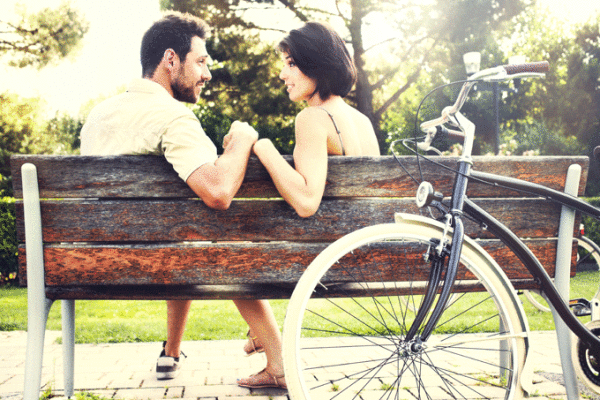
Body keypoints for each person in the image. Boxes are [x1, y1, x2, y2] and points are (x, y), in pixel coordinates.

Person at [79, 12, 259, 380]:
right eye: (201, 61)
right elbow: (219, 192)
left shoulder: (98, 115)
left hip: (88, 263)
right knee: (199, 230)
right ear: (170, 59)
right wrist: (241, 140)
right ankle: (265, 340)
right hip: (164, 261)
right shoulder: (172, 117)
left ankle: (171, 350)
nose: (207, 74)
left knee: (179, 231)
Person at [234, 21, 380, 390]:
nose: (282, 73)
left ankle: (272, 352)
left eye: (290, 63)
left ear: (317, 65)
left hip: (326, 258)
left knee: (231, 263)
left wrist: (263, 147)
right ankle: (264, 344)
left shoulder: (313, 118)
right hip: (363, 251)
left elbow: (305, 201)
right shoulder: (360, 120)